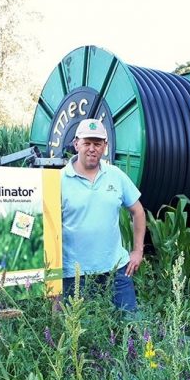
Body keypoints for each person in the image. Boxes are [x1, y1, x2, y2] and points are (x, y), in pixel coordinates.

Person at [61, 118, 146, 311]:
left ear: (105, 147)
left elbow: (138, 211)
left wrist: (138, 251)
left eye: (97, 144)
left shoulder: (116, 175)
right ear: (76, 144)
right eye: (87, 143)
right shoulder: (59, 180)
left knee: (130, 327)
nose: (92, 148)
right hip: (75, 275)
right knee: (83, 335)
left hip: (117, 270)